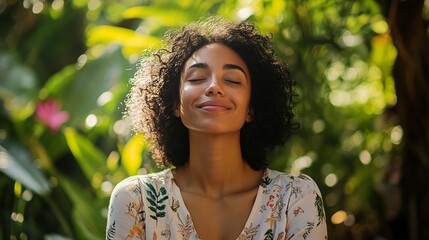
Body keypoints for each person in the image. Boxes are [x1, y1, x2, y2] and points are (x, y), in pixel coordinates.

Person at [106, 15, 327, 240]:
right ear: (176, 105)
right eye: (197, 78)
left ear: (250, 108)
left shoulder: (295, 198)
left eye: (232, 80)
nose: (214, 87)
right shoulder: (136, 201)